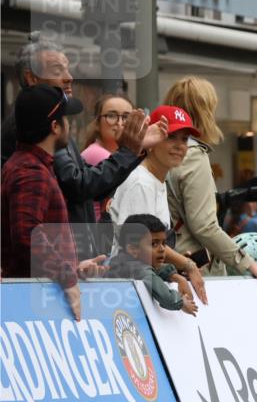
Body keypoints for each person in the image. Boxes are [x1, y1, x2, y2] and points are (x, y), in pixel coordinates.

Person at [1, 35, 168, 260]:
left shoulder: (48, 125)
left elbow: (88, 189)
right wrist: (129, 151)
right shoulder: (32, 134)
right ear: (31, 78)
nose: (69, 78)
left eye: (67, 69)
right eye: (57, 70)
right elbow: (78, 186)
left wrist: (134, 149)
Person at [163, 76, 257, 293]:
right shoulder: (192, 155)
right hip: (194, 268)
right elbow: (204, 226)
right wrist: (247, 263)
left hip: (170, 260)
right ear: (205, 112)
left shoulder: (162, 151)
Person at [1, 85, 89, 320]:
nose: (69, 124)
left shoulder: (29, 166)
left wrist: (73, 266)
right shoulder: (30, 171)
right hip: (31, 307)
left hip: (36, 301)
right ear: (55, 127)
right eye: (65, 118)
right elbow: (27, 234)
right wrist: (66, 276)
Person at [108, 105, 199, 260]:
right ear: (151, 140)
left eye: (184, 139)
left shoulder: (156, 179)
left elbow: (152, 246)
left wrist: (174, 260)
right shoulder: (141, 182)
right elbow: (137, 249)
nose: (179, 146)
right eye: (171, 136)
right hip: (131, 280)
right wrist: (182, 263)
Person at [106, 214, 198, 316]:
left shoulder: (129, 261)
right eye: (154, 244)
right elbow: (166, 298)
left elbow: (154, 269)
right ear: (132, 249)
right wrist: (181, 301)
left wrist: (176, 277)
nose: (162, 249)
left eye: (164, 243)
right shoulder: (136, 269)